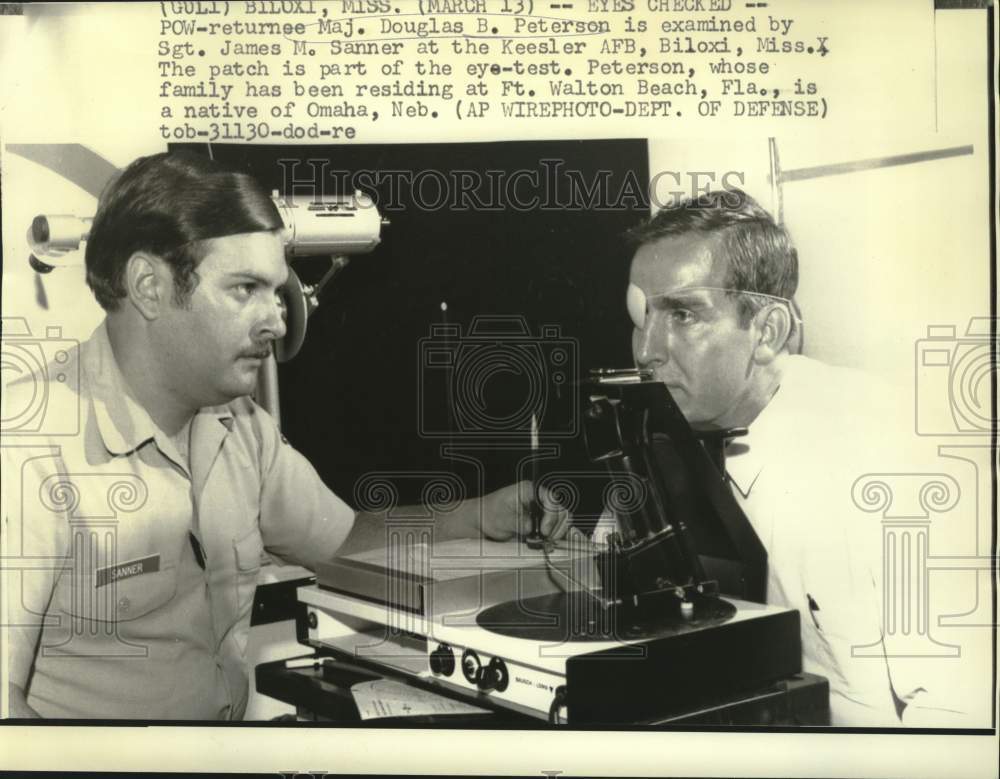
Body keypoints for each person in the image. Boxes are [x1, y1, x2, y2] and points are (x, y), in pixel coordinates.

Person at [1, 152, 568, 719]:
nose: (277, 320)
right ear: (150, 286)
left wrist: (475, 516)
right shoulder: (26, 444)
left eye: (276, 291)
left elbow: (339, 540)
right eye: (245, 288)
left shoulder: (240, 425)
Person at [622, 189, 974, 726]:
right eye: (641, 315)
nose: (647, 350)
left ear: (768, 332)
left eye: (683, 315)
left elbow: (955, 712)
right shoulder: (661, 437)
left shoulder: (894, 456)